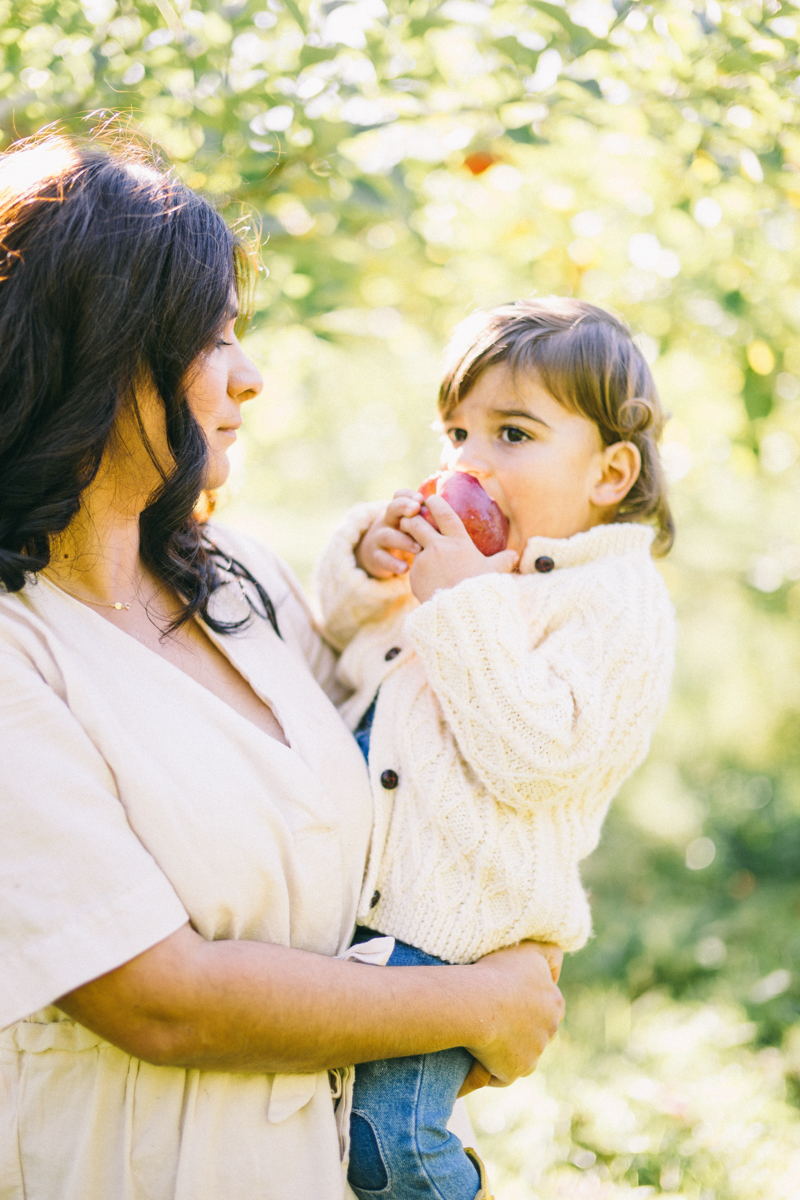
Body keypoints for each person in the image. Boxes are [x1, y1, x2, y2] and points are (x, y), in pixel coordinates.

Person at [0, 136, 566, 1200]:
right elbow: (157, 998)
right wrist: (470, 1006)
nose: (250, 377)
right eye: (211, 341)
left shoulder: (236, 581)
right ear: (102, 353)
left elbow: (401, 777)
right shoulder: (16, 650)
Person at [316, 298, 677, 1200]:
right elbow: (338, 644)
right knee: (314, 1130)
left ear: (609, 470)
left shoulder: (615, 603)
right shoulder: (470, 571)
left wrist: (458, 603)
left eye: (512, 434)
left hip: (452, 936)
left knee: (385, 1142)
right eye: (456, 432)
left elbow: (540, 756)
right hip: (359, 913)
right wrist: (370, 561)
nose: (470, 462)